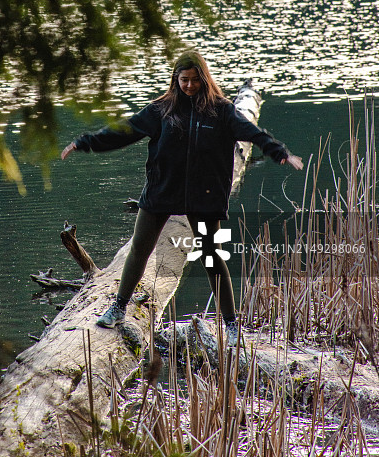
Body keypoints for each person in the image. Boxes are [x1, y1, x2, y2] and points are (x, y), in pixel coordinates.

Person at [61, 51, 303, 346]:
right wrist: (83, 142)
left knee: (212, 257)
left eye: (194, 80)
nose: (189, 86)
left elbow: (253, 133)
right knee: (139, 249)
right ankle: (119, 307)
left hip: (204, 195)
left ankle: (231, 324)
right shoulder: (161, 110)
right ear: (175, 80)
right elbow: (122, 133)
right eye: (183, 80)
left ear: (204, 79)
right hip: (162, 190)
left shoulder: (221, 111)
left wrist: (280, 153)